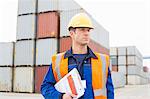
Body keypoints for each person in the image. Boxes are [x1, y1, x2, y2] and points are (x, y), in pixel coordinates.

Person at [41, 13, 114, 99]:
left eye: (88, 30)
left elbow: (110, 92)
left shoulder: (102, 61)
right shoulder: (58, 61)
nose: (86, 33)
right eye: (82, 29)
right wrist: (61, 96)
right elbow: (45, 87)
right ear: (72, 33)